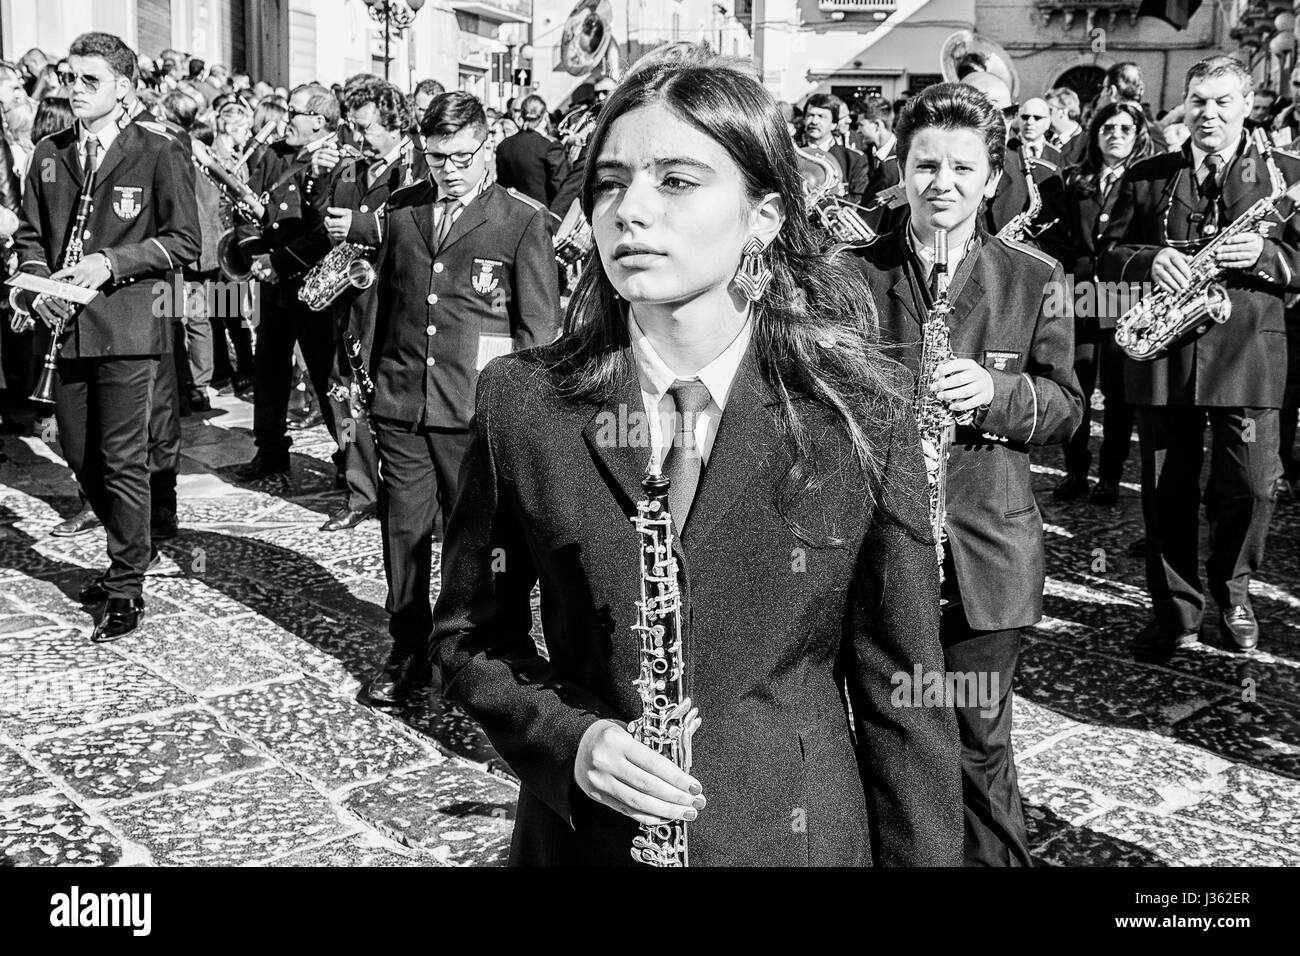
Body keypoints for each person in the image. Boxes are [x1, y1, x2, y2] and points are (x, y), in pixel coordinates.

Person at [431, 48, 962, 867]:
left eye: (677, 180)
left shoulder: (858, 414)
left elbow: (905, 698)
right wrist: (572, 741)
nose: (630, 211)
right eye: (609, 182)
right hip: (585, 846)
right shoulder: (521, 401)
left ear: (765, 215)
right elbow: (470, 639)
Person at [852, 82, 1083, 865]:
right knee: (891, 747)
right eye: (924, 165)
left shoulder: (1034, 276)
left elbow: (1067, 407)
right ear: (901, 169)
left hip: (986, 560)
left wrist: (999, 394)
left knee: (980, 754)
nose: (940, 184)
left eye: (961, 167)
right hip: (879, 556)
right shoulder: (850, 275)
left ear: (992, 179)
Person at [1099, 55, 1300, 657]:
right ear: (1184, 105)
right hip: (1165, 355)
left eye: (1221, 102)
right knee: (1166, 490)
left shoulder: (1285, 177)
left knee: (1253, 487)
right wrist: (1146, 260)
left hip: (1248, 355)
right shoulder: (1148, 173)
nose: (1207, 114)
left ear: (1247, 104)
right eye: (1197, 101)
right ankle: (1175, 610)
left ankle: (1234, 593)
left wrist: (1265, 256)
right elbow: (1107, 252)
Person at [365, 90, 560, 708]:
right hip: (402, 401)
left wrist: (528, 412)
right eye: (434, 155)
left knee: (474, 540)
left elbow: (537, 327)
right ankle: (407, 646)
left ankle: (474, 650)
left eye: (459, 155)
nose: (445, 168)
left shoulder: (522, 220)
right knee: (403, 530)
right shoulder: (401, 210)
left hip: (473, 406)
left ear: (488, 145)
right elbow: (388, 304)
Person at [9, 31, 200, 641]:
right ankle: (127, 549)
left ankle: (125, 582)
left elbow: (185, 242)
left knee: (121, 457)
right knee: (77, 450)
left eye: (91, 81)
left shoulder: (158, 151)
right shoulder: (48, 151)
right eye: (70, 78)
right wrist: (37, 282)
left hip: (127, 326)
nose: (75, 90)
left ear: (125, 88)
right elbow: (33, 238)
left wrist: (112, 263)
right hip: (64, 326)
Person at [316, 77, 428, 532]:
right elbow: (326, 211)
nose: (357, 138)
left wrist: (360, 225)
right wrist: (319, 182)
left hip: (396, 298)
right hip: (353, 298)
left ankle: (413, 491)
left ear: (395, 123)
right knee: (345, 390)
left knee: (392, 393)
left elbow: (418, 220)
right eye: (354, 127)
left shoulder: (418, 164)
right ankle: (360, 490)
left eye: (366, 129)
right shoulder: (352, 165)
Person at [231, 82, 348, 481]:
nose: (285, 119)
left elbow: (327, 231)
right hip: (271, 278)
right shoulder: (276, 156)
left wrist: (279, 261)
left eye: (292, 111)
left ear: (318, 120)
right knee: (268, 368)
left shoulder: (342, 160)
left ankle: (351, 460)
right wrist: (253, 255)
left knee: (328, 377)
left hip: (313, 284)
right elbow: (248, 206)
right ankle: (270, 449)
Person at [1053, 101, 1151, 505]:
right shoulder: (1074, 179)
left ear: (1138, 134)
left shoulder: (1146, 180)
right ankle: (1075, 469)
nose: (1116, 134)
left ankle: (1109, 475)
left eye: (1126, 128)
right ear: (1095, 134)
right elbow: (1057, 235)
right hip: (1074, 289)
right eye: (1108, 127)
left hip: (1121, 290)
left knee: (1116, 388)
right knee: (1072, 378)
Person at [801, 93, 869, 204]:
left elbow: (857, 200)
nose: (814, 121)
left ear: (833, 124)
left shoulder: (854, 159)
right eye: (810, 115)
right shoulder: (792, 156)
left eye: (821, 116)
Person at [495, 93, 560, 205]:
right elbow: (560, 187)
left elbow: (501, 185)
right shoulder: (549, 147)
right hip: (539, 213)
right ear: (544, 116)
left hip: (509, 211)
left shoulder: (504, 145)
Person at [1046, 87, 1086, 167]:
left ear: (1064, 111)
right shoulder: (1044, 138)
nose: (1044, 114)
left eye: (1050, 110)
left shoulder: (1085, 145)